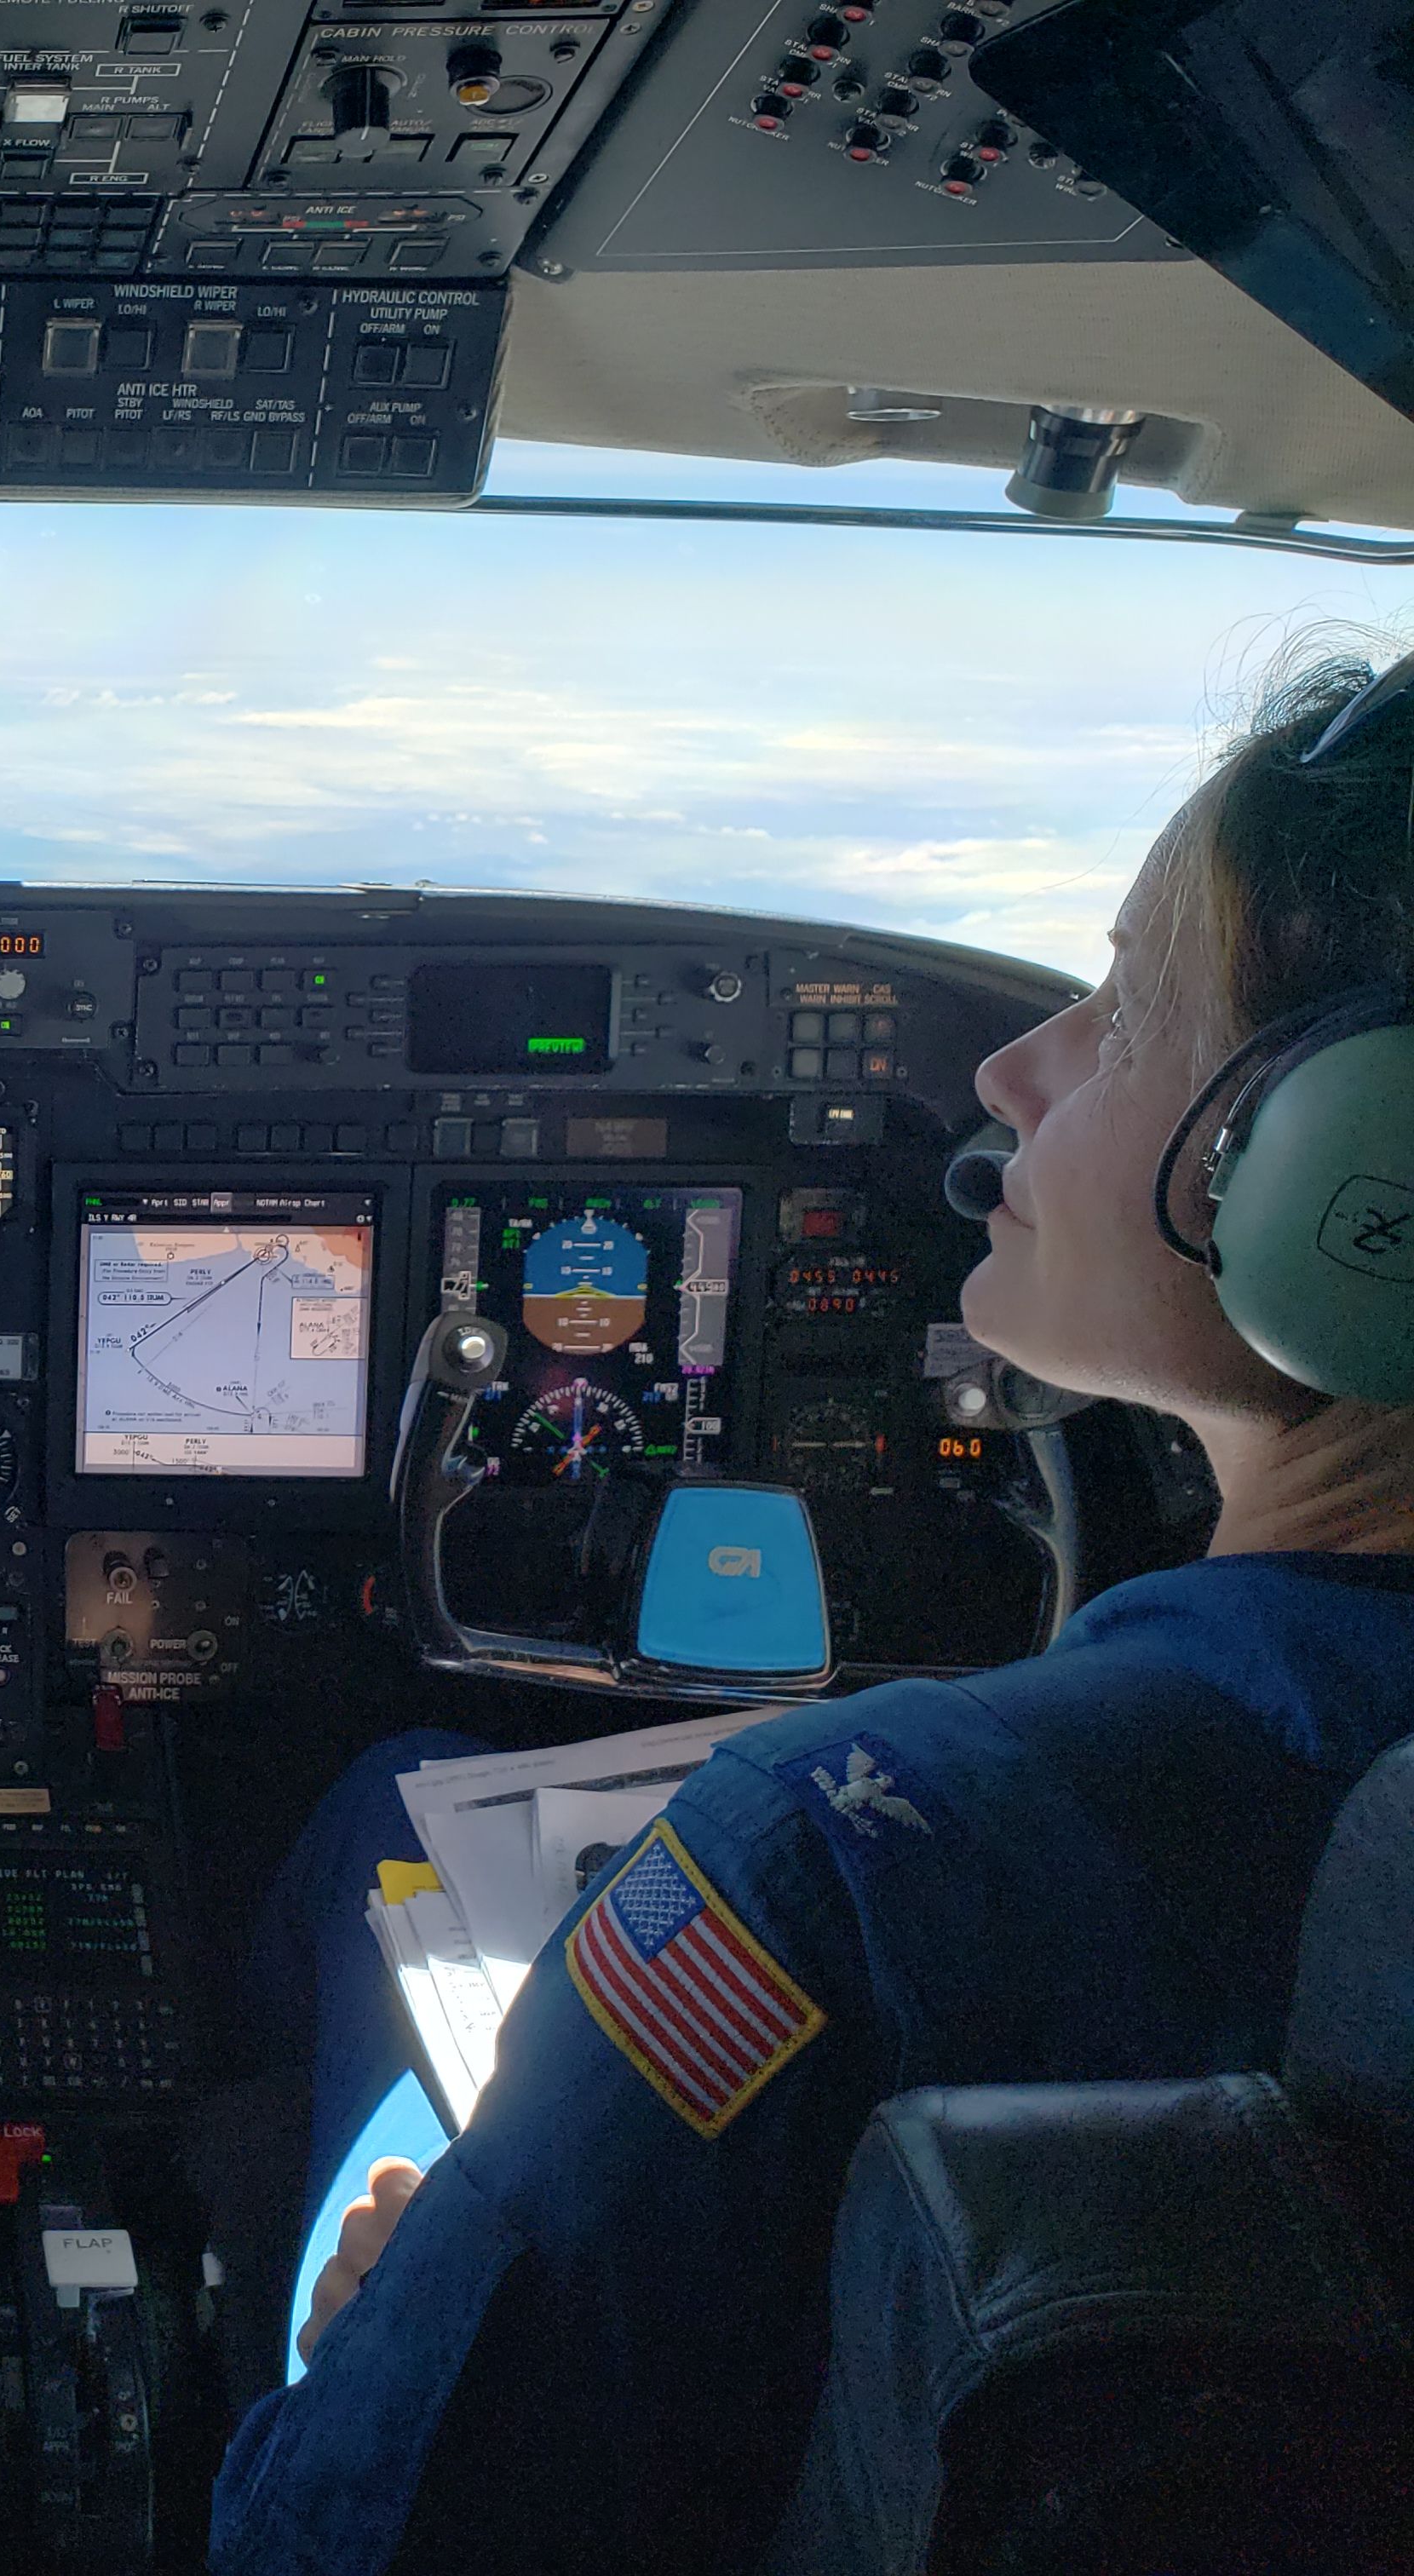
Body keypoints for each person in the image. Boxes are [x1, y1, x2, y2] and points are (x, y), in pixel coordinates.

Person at [213, 639, 1414, 2575]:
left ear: (1370, 1180)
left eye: (1130, 1011)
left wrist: (380, 2361)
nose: (1017, 1065)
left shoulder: (824, 1862)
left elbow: (341, 2545)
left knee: (386, 1813)